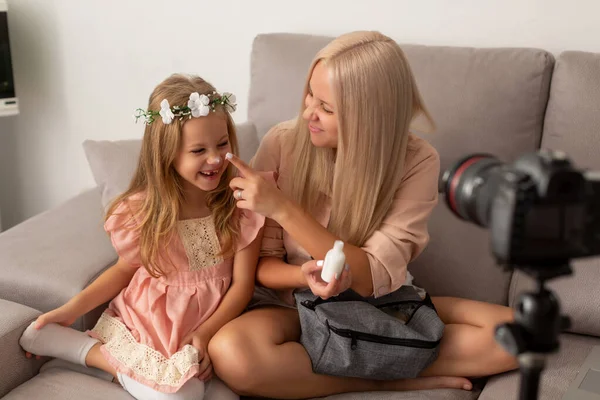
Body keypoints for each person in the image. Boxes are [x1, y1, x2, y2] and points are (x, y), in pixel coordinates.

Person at [207, 31, 518, 399]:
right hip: (293, 307)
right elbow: (260, 266)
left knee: (523, 334)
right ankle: (392, 374)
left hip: (377, 305)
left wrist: (282, 208)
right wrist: (305, 277)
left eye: (326, 107)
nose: (309, 112)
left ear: (367, 116)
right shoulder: (282, 143)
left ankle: (382, 354)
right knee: (232, 352)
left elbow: (371, 279)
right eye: (310, 94)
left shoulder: (416, 161)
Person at [19, 74, 266, 400]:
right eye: (198, 150)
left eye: (222, 144)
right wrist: (69, 311)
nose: (215, 158)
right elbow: (123, 270)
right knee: (184, 395)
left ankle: (114, 364)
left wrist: (206, 332)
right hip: (149, 325)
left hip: (204, 329)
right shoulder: (145, 211)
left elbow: (242, 286)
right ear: (168, 154)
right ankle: (88, 352)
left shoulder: (241, 205)